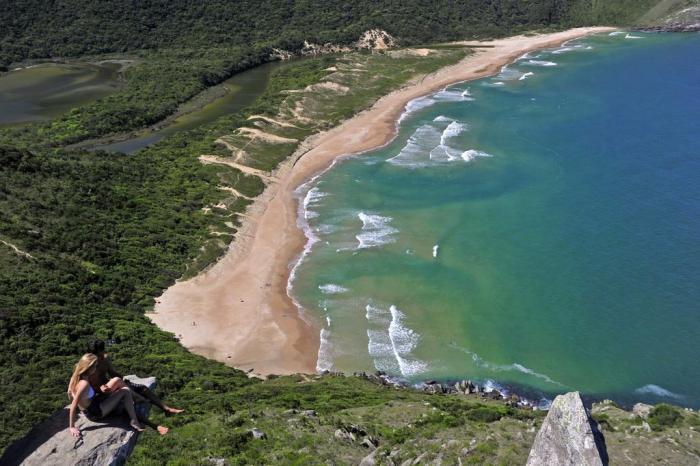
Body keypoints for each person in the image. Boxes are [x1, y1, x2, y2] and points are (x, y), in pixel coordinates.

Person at [87, 339, 184, 415]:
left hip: (110, 386)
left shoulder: (105, 359)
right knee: (129, 392)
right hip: (100, 394)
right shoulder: (88, 365)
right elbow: (87, 386)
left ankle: (166, 408)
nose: (98, 357)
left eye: (99, 354)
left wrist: (123, 379)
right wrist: (101, 387)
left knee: (143, 389)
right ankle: (139, 399)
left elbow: (111, 372)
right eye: (95, 354)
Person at [67, 353, 145, 437]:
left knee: (116, 380)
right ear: (89, 367)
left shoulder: (76, 376)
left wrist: (82, 404)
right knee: (125, 391)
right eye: (95, 366)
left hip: (94, 401)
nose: (96, 369)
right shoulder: (84, 384)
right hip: (95, 412)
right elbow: (74, 404)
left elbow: (69, 393)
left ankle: (136, 398)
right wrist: (72, 427)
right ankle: (134, 421)